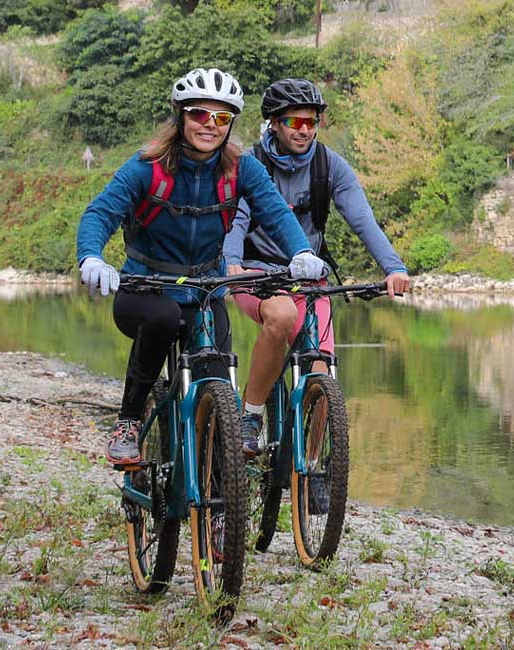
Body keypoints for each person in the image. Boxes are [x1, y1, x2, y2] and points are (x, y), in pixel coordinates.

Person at [75, 68, 327, 466]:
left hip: (204, 292)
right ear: (180, 116)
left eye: (222, 118)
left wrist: (300, 252)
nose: (210, 125)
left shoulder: (240, 169)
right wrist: (91, 256)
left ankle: (217, 498)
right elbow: (100, 214)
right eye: (199, 114)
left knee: (218, 385)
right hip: (144, 290)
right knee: (163, 318)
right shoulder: (147, 167)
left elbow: (276, 213)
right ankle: (128, 422)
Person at [223, 78, 412, 456]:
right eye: (296, 123)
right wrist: (230, 263)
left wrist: (394, 267)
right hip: (257, 273)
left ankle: (313, 467)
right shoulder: (251, 165)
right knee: (279, 319)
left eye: (312, 122)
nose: (305, 130)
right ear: (274, 123)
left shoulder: (329, 165)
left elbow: (363, 220)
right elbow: (236, 220)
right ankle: (252, 415)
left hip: (310, 279)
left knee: (323, 372)